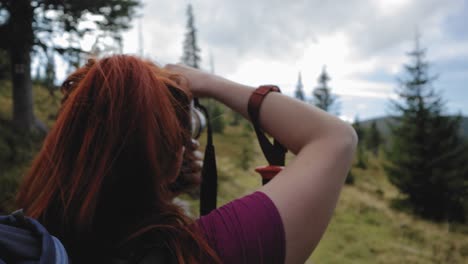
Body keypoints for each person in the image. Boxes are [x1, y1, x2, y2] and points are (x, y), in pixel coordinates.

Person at [15, 55, 357, 264]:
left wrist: (164, 190)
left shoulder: (23, 239)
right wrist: (209, 83)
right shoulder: (207, 252)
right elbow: (334, 137)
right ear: (174, 160)